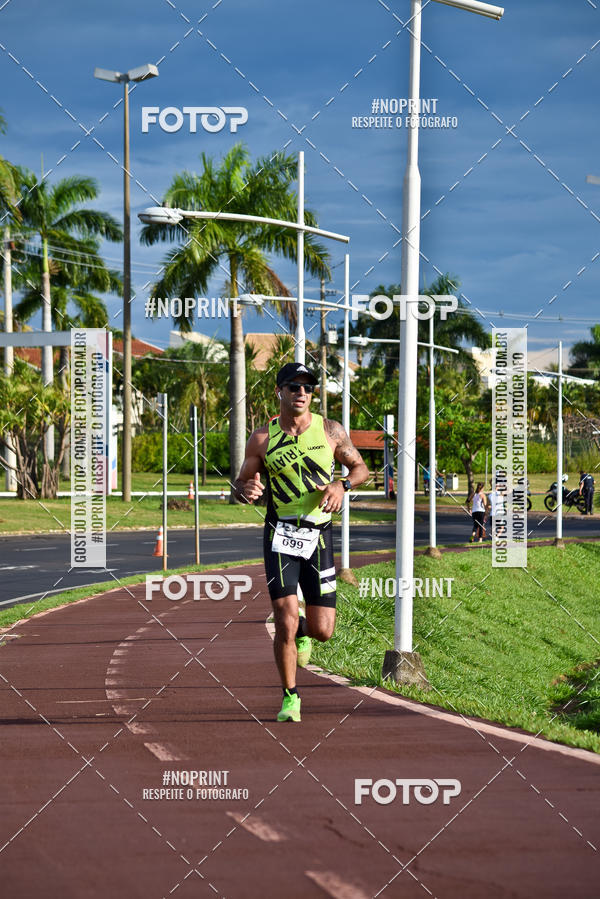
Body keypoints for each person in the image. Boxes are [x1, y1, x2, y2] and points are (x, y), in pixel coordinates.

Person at [233, 362, 369, 723]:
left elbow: (361, 469)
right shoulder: (262, 438)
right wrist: (246, 489)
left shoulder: (330, 430)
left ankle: (303, 632)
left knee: (323, 630)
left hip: (319, 535)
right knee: (284, 618)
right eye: (294, 386)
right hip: (280, 534)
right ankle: (290, 697)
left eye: (308, 387)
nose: (302, 393)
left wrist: (341, 485)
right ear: (279, 391)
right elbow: (241, 483)